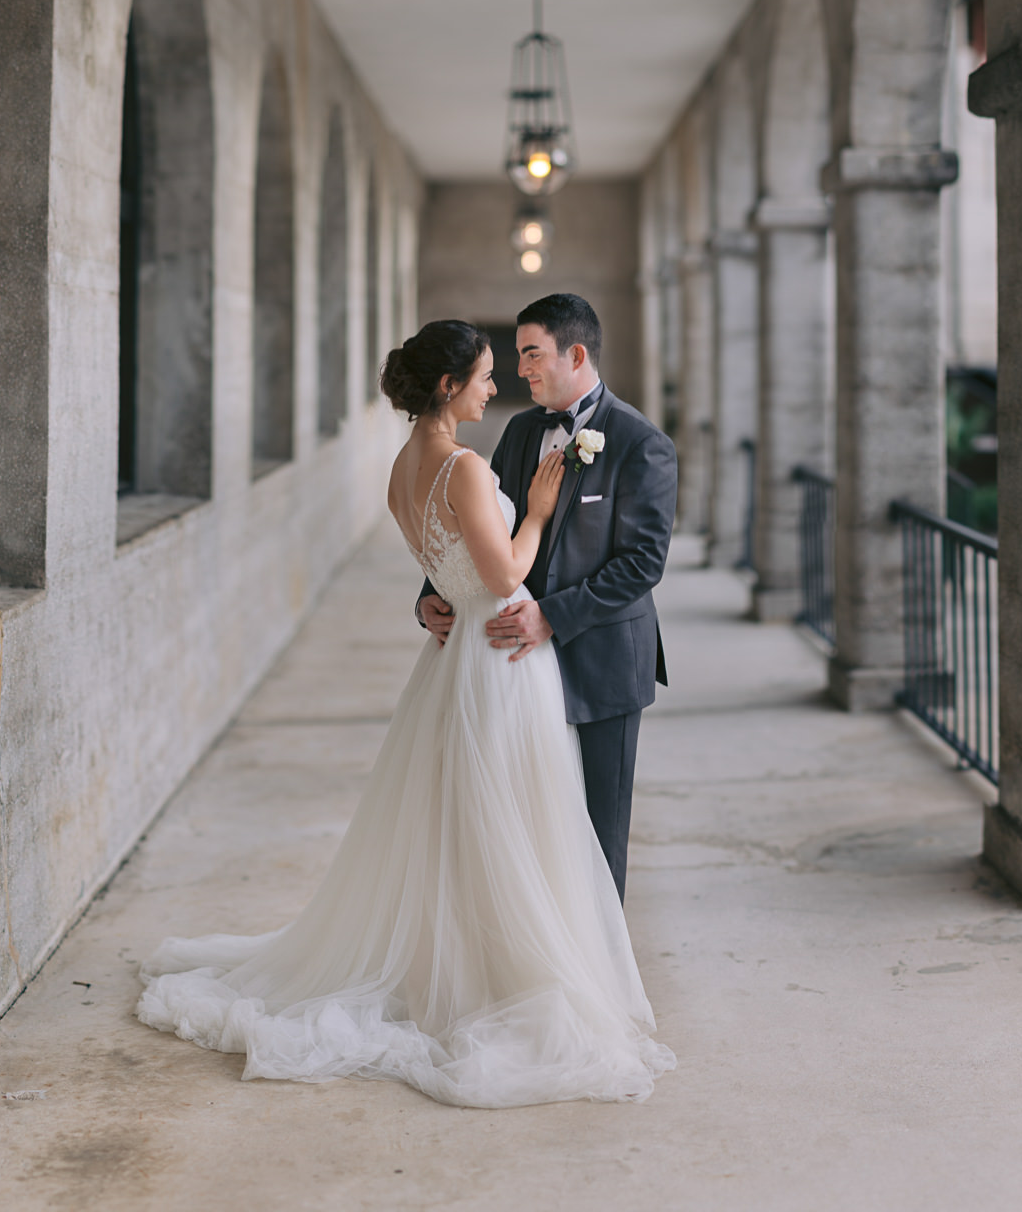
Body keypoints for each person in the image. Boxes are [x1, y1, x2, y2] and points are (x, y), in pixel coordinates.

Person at [136, 318, 673, 1108]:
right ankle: (503, 977)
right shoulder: (469, 459)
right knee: (511, 820)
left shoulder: (406, 465)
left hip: (495, 658)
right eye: (489, 372)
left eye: (518, 361)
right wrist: (536, 510)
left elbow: (599, 557)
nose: (500, 384)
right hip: (497, 659)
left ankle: (523, 961)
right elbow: (501, 566)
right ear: (450, 387)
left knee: (493, 822)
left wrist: (446, 594)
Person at [417, 293, 677, 903]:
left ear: (576, 353)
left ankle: (602, 979)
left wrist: (551, 618)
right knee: (526, 821)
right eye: (518, 356)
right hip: (510, 661)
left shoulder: (642, 443)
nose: (521, 370)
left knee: (598, 826)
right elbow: (481, 528)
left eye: (532, 355)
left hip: (604, 657)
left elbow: (643, 563)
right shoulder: (518, 431)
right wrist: (434, 591)